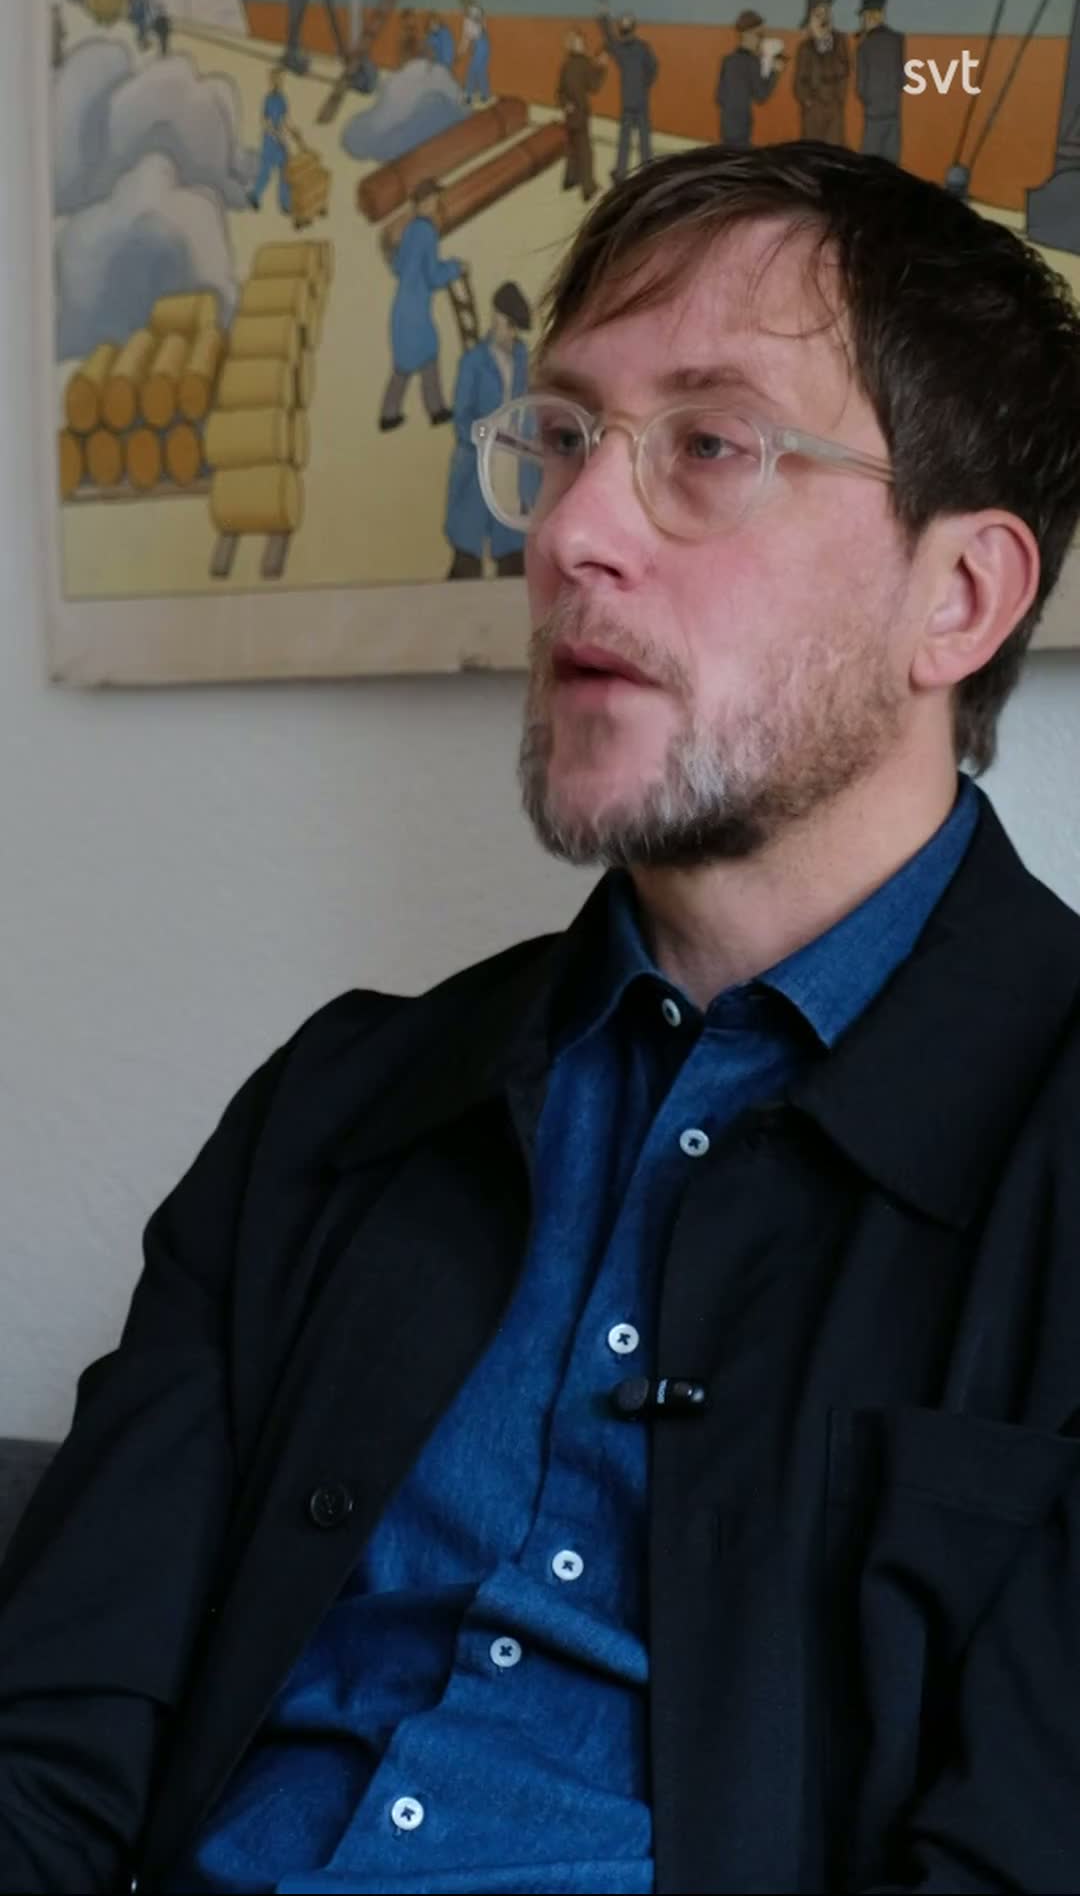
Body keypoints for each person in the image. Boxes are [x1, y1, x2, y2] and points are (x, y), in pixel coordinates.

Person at [5, 140, 1080, 1896]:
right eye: (567, 437)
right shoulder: (335, 1110)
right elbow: (41, 1759)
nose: (573, 531)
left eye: (710, 446)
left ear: (956, 597)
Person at [444, 280, 532, 579]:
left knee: (512, 534)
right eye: (506, 324)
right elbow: (462, 416)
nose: (509, 333)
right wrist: (483, 436)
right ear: (495, 318)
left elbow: (531, 406)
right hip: (480, 453)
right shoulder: (474, 362)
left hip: (514, 457)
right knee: (469, 536)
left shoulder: (523, 359)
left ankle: (510, 565)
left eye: (514, 327)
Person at [379, 180, 462, 430]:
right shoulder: (426, 231)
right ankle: (433, 410)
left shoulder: (411, 229)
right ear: (423, 202)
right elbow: (433, 276)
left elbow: (399, 265)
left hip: (403, 308)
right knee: (426, 355)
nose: (435, 203)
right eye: (432, 199)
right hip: (416, 310)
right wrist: (455, 267)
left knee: (406, 363)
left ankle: (391, 414)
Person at [597, 1, 658, 182]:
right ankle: (648, 172)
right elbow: (653, 68)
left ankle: (621, 173)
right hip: (641, 99)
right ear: (634, 28)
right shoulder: (643, 48)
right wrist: (645, 85)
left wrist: (604, 16)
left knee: (624, 139)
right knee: (644, 137)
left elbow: (609, 37)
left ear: (621, 29)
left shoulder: (620, 50)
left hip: (627, 100)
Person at [716, 8, 786, 147]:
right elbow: (761, 96)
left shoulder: (728, 60)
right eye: (759, 35)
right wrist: (775, 73)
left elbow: (719, 97)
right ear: (746, 34)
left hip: (726, 125)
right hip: (742, 127)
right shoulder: (752, 62)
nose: (762, 39)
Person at [556, 26, 608, 202]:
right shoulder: (584, 64)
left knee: (572, 147)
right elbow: (594, 86)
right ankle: (588, 189)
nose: (582, 45)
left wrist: (565, 105)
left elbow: (560, 92)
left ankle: (570, 180)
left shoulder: (566, 65)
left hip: (570, 114)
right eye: (579, 42)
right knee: (585, 151)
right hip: (581, 113)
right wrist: (601, 67)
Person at [794, 0, 850, 144]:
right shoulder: (805, 49)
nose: (824, 19)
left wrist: (839, 99)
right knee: (813, 150)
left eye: (826, 13)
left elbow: (844, 71)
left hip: (834, 108)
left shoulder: (840, 42)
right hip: (814, 111)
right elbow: (799, 82)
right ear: (810, 21)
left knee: (834, 149)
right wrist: (808, 101)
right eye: (818, 15)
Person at [856, 0, 906, 162]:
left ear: (869, 17)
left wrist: (869, 100)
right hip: (893, 112)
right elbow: (902, 80)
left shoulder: (864, 45)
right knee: (892, 163)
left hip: (874, 114)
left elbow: (860, 87)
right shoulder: (897, 39)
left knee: (868, 164)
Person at [248, 64, 301, 214]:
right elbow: (264, 121)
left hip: (280, 141)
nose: (280, 82)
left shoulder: (282, 99)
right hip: (270, 141)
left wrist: (294, 131)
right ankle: (254, 195)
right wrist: (275, 133)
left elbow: (285, 119)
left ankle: (285, 203)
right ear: (272, 80)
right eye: (278, 79)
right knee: (265, 171)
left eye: (282, 80)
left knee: (285, 171)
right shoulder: (268, 99)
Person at [459, 0, 491, 106]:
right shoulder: (466, 21)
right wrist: (461, 51)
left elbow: (480, 19)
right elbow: (465, 38)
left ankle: (468, 96)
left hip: (481, 44)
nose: (464, 9)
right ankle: (485, 94)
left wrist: (475, 16)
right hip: (479, 45)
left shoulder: (474, 11)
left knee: (472, 71)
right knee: (480, 71)